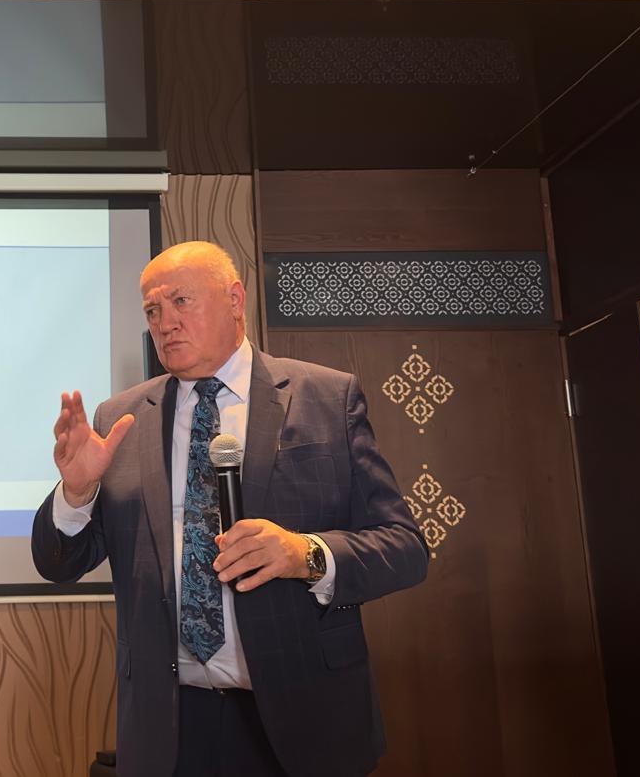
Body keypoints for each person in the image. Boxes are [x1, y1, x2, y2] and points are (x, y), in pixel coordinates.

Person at [32, 241, 428, 776]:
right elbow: (59, 564)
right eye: (152, 310)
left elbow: (404, 548)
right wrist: (76, 494)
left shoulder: (326, 398)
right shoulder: (120, 419)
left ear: (235, 300)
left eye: (181, 301)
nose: (165, 323)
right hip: (169, 727)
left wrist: (304, 554)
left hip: (302, 716)